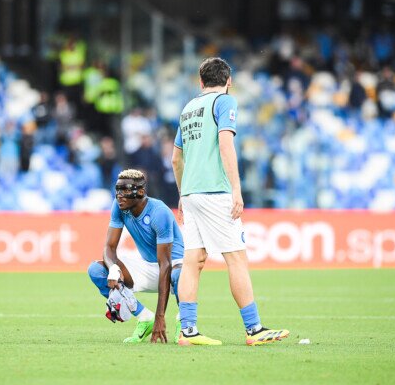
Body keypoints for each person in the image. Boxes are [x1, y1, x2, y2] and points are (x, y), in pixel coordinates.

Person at [171, 57, 289, 346]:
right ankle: (254, 330)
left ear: (200, 82)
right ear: (229, 81)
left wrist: (183, 195)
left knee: (193, 261)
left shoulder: (188, 109)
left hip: (191, 193)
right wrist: (236, 190)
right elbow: (226, 143)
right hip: (215, 191)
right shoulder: (224, 102)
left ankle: (187, 331)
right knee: (236, 259)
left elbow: (176, 158)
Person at [87, 169, 183, 343]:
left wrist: (161, 316)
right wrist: (114, 269)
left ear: (140, 191)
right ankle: (145, 317)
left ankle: (184, 325)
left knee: (180, 274)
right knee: (96, 269)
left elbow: (166, 264)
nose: (119, 195)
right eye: (117, 190)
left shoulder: (159, 212)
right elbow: (109, 247)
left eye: (125, 190)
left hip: (172, 266)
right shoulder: (119, 206)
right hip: (147, 267)